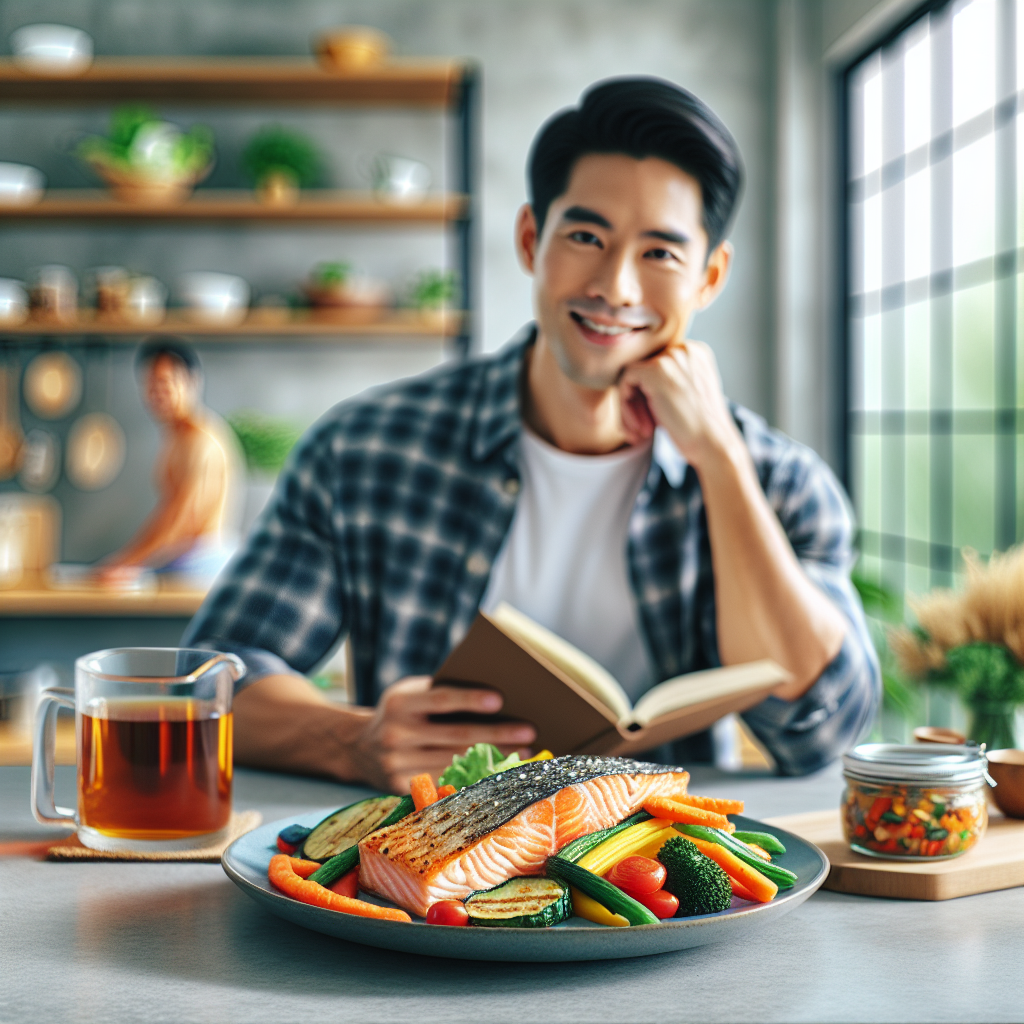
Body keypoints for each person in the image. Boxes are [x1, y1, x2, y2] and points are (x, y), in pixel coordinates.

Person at [184, 78, 880, 792]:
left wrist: (719, 460)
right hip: (437, 878)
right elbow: (210, 677)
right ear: (529, 241)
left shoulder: (779, 480)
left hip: (662, 884)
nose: (616, 287)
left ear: (710, 276)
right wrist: (351, 738)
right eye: (585, 237)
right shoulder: (366, 448)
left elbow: (820, 727)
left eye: (660, 254)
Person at [96, 339, 242, 585]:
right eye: (150, 385)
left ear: (192, 382)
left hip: (201, 567)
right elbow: (169, 512)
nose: (156, 394)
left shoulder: (201, 441)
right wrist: (127, 561)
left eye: (164, 383)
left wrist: (127, 562)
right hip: (183, 561)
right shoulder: (178, 437)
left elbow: (180, 519)